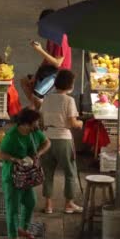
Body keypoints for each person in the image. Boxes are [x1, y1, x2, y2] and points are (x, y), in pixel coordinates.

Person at [0, 108, 51, 239]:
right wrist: (16, 160)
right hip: (12, 176)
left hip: (28, 175)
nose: (37, 124)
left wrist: (38, 154)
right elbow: (1, 154)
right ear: (26, 124)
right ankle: (14, 237)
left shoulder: (34, 132)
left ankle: (23, 228)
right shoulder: (12, 136)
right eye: (35, 122)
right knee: (13, 207)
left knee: (30, 202)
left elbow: (47, 142)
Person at [40, 70, 83, 214]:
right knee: (70, 172)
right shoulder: (69, 100)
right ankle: (69, 204)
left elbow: (41, 120)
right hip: (63, 139)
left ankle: (48, 205)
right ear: (70, 85)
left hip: (46, 138)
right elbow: (72, 122)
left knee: (48, 173)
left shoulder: (46, 98)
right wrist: (80, 123)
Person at [20, 9, 72, 109]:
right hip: (49, 71)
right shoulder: (51, 36)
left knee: (37, 95)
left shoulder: (60, 38)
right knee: (25, 81)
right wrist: (36, 74)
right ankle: (36, 110)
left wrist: (39, 50)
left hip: (59, 74)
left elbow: (57, 63)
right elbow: (47, 58)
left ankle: (42, 117)